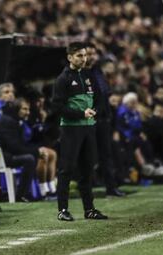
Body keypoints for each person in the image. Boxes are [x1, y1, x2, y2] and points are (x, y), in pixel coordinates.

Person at [51, 42, 108, 221]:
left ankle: (89, 209)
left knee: (87, 169)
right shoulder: (63, 79)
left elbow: (100, 99)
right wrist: (80, 113)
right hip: (70, 129)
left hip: (88, 128)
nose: (83, 59)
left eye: (84, 55)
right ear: (70, 57)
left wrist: (95, 111)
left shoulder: (88, 75)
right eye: (79, 56)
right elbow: (57, 107)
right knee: (66, 169)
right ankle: (62, 210)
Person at [85, 42, 125, 197]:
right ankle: (87, 189)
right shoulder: (81, 74)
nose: (92, 57)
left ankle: (111, 187)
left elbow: (105, 94)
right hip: (89, 120)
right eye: (89, 53)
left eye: (94, 54)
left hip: (103, 120)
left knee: (106, 154)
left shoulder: (98, 71)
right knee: (88, 156)